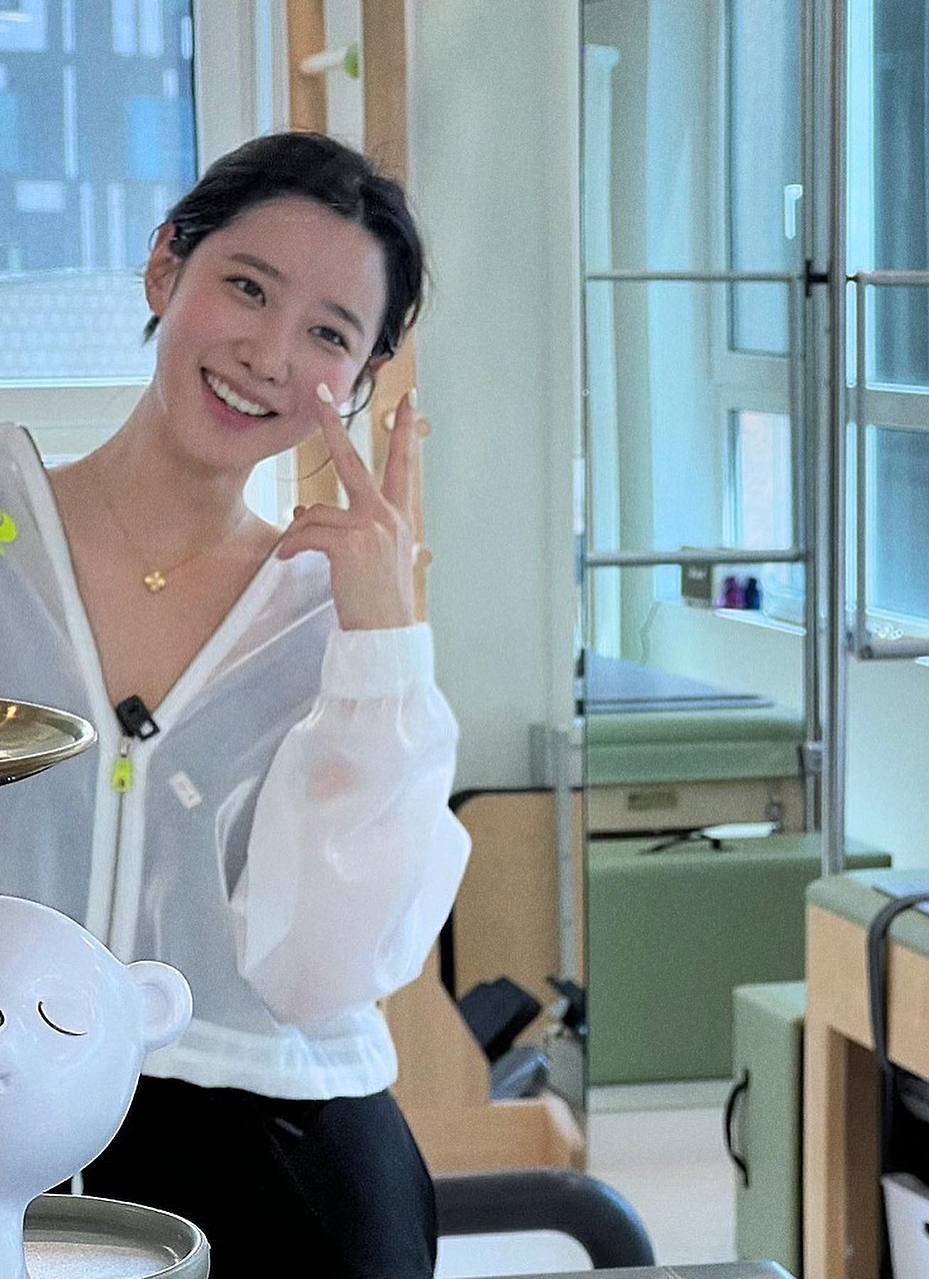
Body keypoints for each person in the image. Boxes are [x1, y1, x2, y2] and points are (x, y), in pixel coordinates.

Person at [0, 131, 470, 1276]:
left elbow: (319, 977)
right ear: (166, 266)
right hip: (17, 1100)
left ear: (360, 379)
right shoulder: (7, 534)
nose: (268, 353)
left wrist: (381, 643)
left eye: (328, 334)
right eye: (248, 288)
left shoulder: (335, 617)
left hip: (275, 1139)